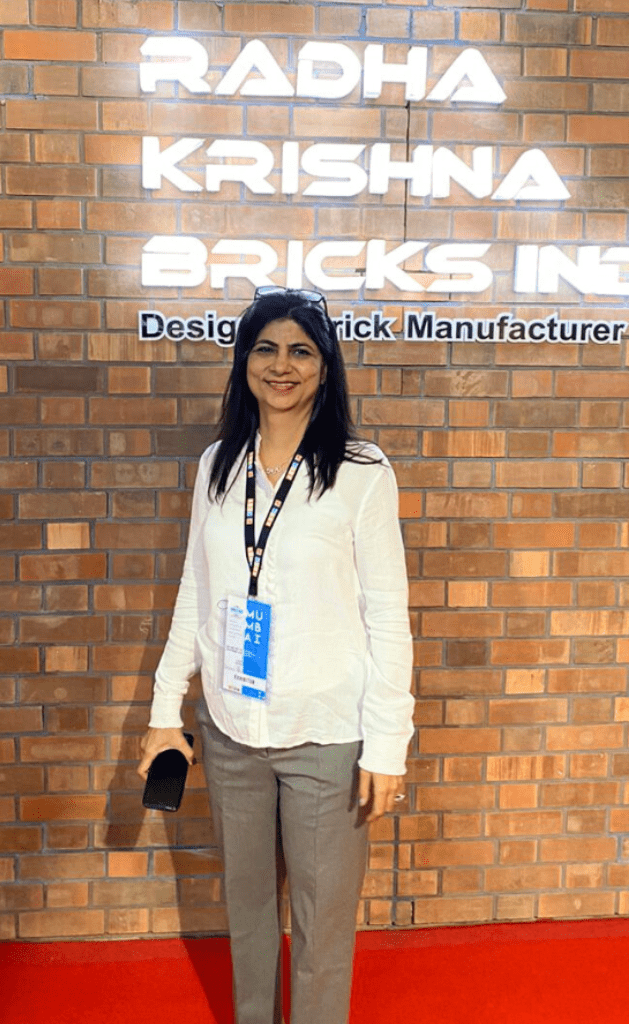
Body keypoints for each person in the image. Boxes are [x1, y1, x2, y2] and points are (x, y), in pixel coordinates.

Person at [136, 287, 415, 1024]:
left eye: (300, 351)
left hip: (326, 734)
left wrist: (388, 743)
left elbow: (388, 614)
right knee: (249, 913)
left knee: (323, 928)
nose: (281, 365)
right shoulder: (217, 465)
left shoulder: (361, 471)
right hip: (232, 730)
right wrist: (165, 711)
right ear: (244, 362)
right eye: (265, 349)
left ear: (325, 367)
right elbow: (195, 589)